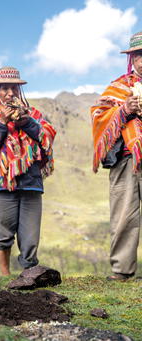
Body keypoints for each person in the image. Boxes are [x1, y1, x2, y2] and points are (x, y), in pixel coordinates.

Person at [0, 67, 56, 276]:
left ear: (20, 91)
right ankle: (5, 275)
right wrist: (2, 123)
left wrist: (26, 122)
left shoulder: (34, 115)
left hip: (30, 182)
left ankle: (30, 274)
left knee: (30, 235)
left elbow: (47, 137)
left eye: (14, 88)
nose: (10, 93)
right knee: (2, 232)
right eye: (5, 89)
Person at [91, 31, 142, 281]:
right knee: (124, 214)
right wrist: (124, 110)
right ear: (131, 58)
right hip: (125, 159)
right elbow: (99, 116)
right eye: (139, 55)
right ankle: (122, 271)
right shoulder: (118, 88)